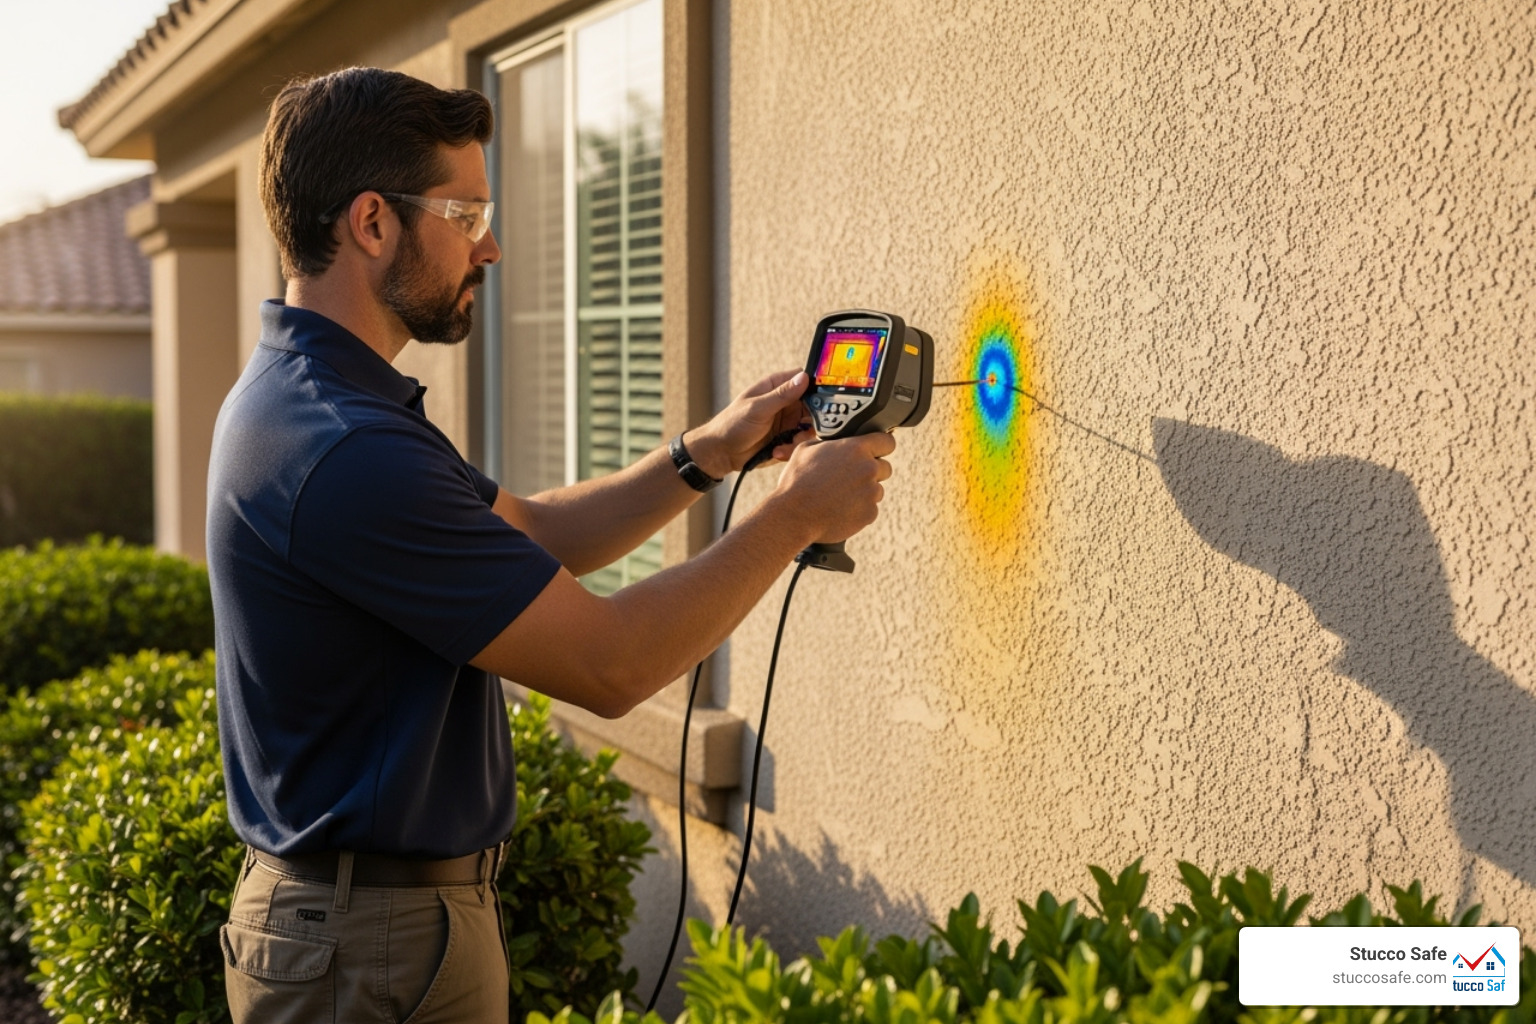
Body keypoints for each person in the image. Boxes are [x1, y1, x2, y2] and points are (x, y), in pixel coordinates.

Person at [207, 66, 895, 1024]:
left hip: (362, 928)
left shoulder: (309, 402)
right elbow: (612, 666)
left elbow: (536, 532)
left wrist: (709, 450)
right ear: (372, 223)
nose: (491, 246)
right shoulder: (347, 448)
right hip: (371, 950)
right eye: (464, 212)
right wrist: (793, 517)